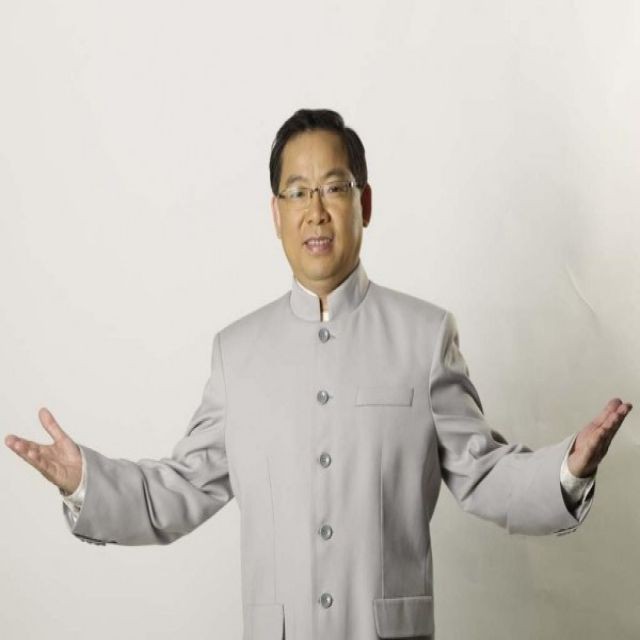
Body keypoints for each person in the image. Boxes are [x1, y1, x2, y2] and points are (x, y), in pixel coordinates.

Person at [5, 108, 633, 640]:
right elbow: (181, 487)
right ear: (275, 214)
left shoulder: (423, 336)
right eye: (297, 192)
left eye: (333, 188)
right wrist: (87, 482)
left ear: (364, 203)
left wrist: (566, 469)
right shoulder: (237, 353)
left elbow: (484, 473)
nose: (316, 210)